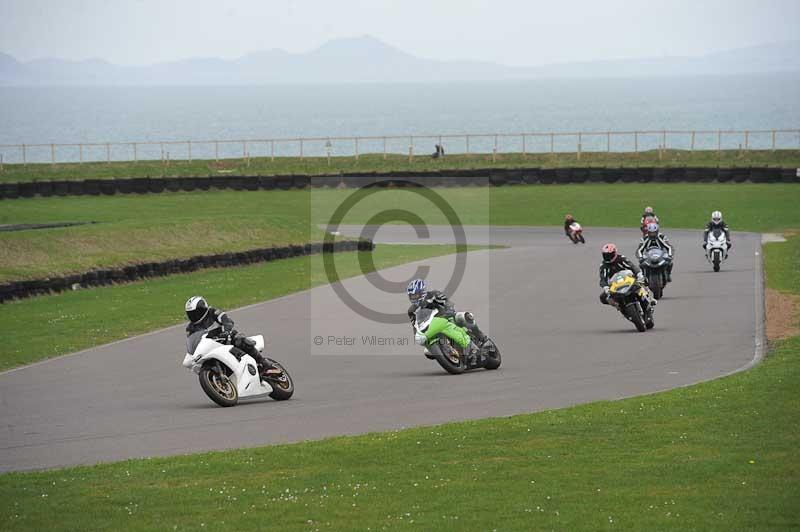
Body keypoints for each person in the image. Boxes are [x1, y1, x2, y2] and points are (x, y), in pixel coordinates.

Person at [184, 296, 279, 378]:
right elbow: (193, 340)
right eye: (191, 314)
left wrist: (226, 330)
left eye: (197, 312)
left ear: (203, 308)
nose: (194, 316)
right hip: (210, 345)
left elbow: (227, 321)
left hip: (226, 337)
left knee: (239, 339)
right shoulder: (190, 327)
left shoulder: (213, 312)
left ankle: (266, 365)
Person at [406, 279, 487, 345]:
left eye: (415, 295)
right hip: (431, 326)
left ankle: (480, 336)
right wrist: (417, 335)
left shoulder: (434, 294)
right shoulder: (411, 311)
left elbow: (447, 302)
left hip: (446, 316)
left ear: (422, 292)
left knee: (465, 316)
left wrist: (449, 311)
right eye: (412, 296)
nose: (414, 298)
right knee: (427, 352)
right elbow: (415, 325)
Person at [598, 243, 651, 309]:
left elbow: (632, 267)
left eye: (610, 255)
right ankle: (618, 305)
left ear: (615, 253)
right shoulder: (603, 266)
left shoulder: (621, 259)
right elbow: (603, 278)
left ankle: (648, 299)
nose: (608, 257)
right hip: (615, 285)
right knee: (603, 297)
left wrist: (639, 274)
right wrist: (606, 287)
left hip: (629, 279)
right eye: (606, 255)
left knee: (642, 282)